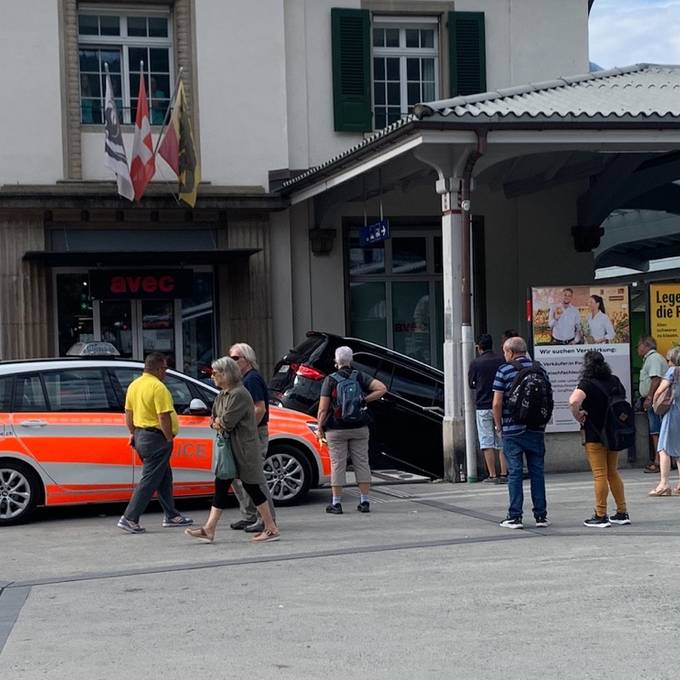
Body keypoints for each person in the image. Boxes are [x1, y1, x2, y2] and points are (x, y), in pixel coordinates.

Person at [185, 356, 279, 543]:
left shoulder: (239, 394)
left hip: (243, 449)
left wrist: (219, 422)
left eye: (215, 373)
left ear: (226, 374)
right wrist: (217, 423)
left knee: (252, 486)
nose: (212, 377)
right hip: (229, 449)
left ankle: (270, 528)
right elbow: (214, 419)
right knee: (221, 486)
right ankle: (209, 529)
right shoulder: (223, 394)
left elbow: (226, 422)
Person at [117, 352, 193, 534]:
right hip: (157, 437)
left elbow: (128, 413)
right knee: (150, 479)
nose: (165, 372)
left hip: (141, 435)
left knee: (163, 476)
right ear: (158, 368)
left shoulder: (134, 385)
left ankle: (172, 515)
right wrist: (168, 437)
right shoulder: (158, 387)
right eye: (165, 368)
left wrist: (133, 433)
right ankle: (130, 518)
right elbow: (163, 415)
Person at [316, 346, 387, 514]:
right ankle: (364, 502)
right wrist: (363, 400)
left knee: (337, 464)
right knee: (362, 462)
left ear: (336, 361)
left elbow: (323, 409)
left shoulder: (330, 380)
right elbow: (382, 388)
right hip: (360, 427)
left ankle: (336, 503)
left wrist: (320, 427)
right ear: (351, 360)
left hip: (336, 429)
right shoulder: (360, 376)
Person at [492, 336, 550, 529]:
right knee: (537, 472)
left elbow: (497, 402)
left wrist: (499, 425)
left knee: (515, 473)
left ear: (510, 352)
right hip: (536, 429)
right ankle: (541, 516)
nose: (504, 355)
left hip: (512, 430)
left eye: (504, 351)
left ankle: (515, 516)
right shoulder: (540, 369)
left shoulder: (504, 370)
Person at [568, 351, 631, 527]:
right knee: (613, 472)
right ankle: (622, 512)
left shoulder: (587, 383)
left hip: (594, 434)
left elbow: (573, 401)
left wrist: (578, 415)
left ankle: (601, 514)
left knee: (600, 474)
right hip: (613, 433)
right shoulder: (614, 380)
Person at [227, 342, 276, 534]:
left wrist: (247, 429)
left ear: (247, 360)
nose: (232, 361)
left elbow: (260, 408)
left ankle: (266, 519)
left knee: (254, 477)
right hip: (247, 434)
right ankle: (250, 516)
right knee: (239, 478)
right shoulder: (242, 380)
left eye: (235, 358)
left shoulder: (252, 379)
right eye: (230, 357)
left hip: (254, 434)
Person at [468, 333, 507, 483]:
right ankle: (504, 474)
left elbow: (471, 384)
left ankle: (492, 475)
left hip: (483, 406)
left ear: (479, 347)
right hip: (501, 406)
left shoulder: (476, 363)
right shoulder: (502, 360)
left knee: (486, 442)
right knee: (502, 441)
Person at [648, 346, 680, 496]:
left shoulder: (673, 371)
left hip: (673, 412)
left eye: (668, 360)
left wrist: (654, 402)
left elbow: (661, 389)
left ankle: (664, 484)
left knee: (664, 448)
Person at [638, 336, 667, 473]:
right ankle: (664, 460)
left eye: (639, 345)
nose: (638, 349)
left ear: (646, 345)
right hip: (656, 400)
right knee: (657, 430)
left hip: (657, 401)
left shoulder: (653, 358)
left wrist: (649, 397)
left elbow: (656, 379)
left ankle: (659, 461)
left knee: (657, 431)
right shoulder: (650, 358)